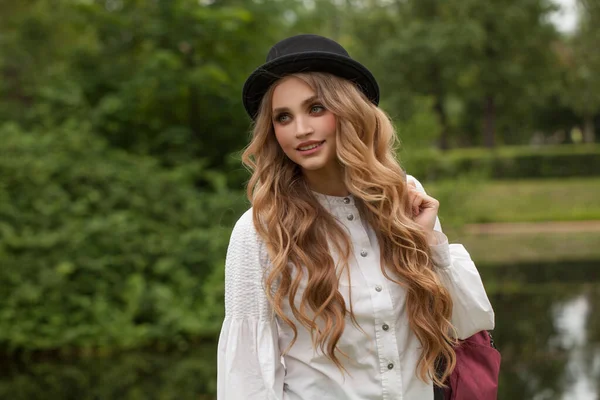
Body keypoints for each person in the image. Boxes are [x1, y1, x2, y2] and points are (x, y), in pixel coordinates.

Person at [217, 34, 495, 400]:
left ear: (348, 109)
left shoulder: (403, 196)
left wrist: (428, 243)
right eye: (284, 117)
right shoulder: (260, 229)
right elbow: (246, 379)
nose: (300, 129)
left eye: (316, 108)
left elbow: (468, 325)